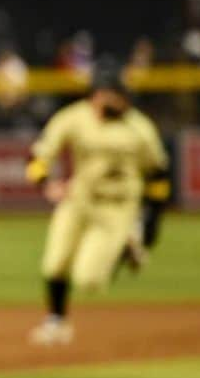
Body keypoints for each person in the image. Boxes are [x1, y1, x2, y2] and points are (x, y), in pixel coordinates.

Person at [25, 55, 169, 347]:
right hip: (79, 200)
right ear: (99, 93)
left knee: (88, 280)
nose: (122, 98)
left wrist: (153, 219)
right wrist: (46, 183)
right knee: (54, 264)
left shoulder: (139, 128)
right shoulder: (73, 118)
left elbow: (159, 174)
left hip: (117, 207)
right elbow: (37, 156)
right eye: (116, 92)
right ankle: (56, 322)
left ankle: (129, 241)